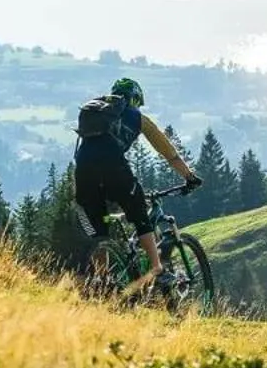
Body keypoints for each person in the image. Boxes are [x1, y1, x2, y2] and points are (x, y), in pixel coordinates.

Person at [72, 77, 199, 292]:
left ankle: (103, 282)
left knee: (100, 234)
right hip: (114, 169)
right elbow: (170, 154)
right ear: (135, 99)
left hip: (83, 171)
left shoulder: (97, 114)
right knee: (140, 214)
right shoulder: (138, 118)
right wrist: (189, 177)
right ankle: (159, 271)